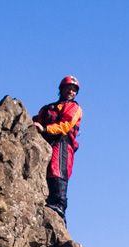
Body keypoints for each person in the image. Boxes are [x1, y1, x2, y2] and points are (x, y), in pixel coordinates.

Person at [32, 75, 83, 220]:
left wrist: (45, 129)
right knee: (46, 172)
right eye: (69, 88)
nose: (71, 92)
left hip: (62, 142)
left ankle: (59, 206)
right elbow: (35, 121)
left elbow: (65, 125)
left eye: (74, 90)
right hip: (46, 142)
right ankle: (49, 201)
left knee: (58, 170)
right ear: (62, 89)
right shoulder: (48, 108)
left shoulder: (74, 107)